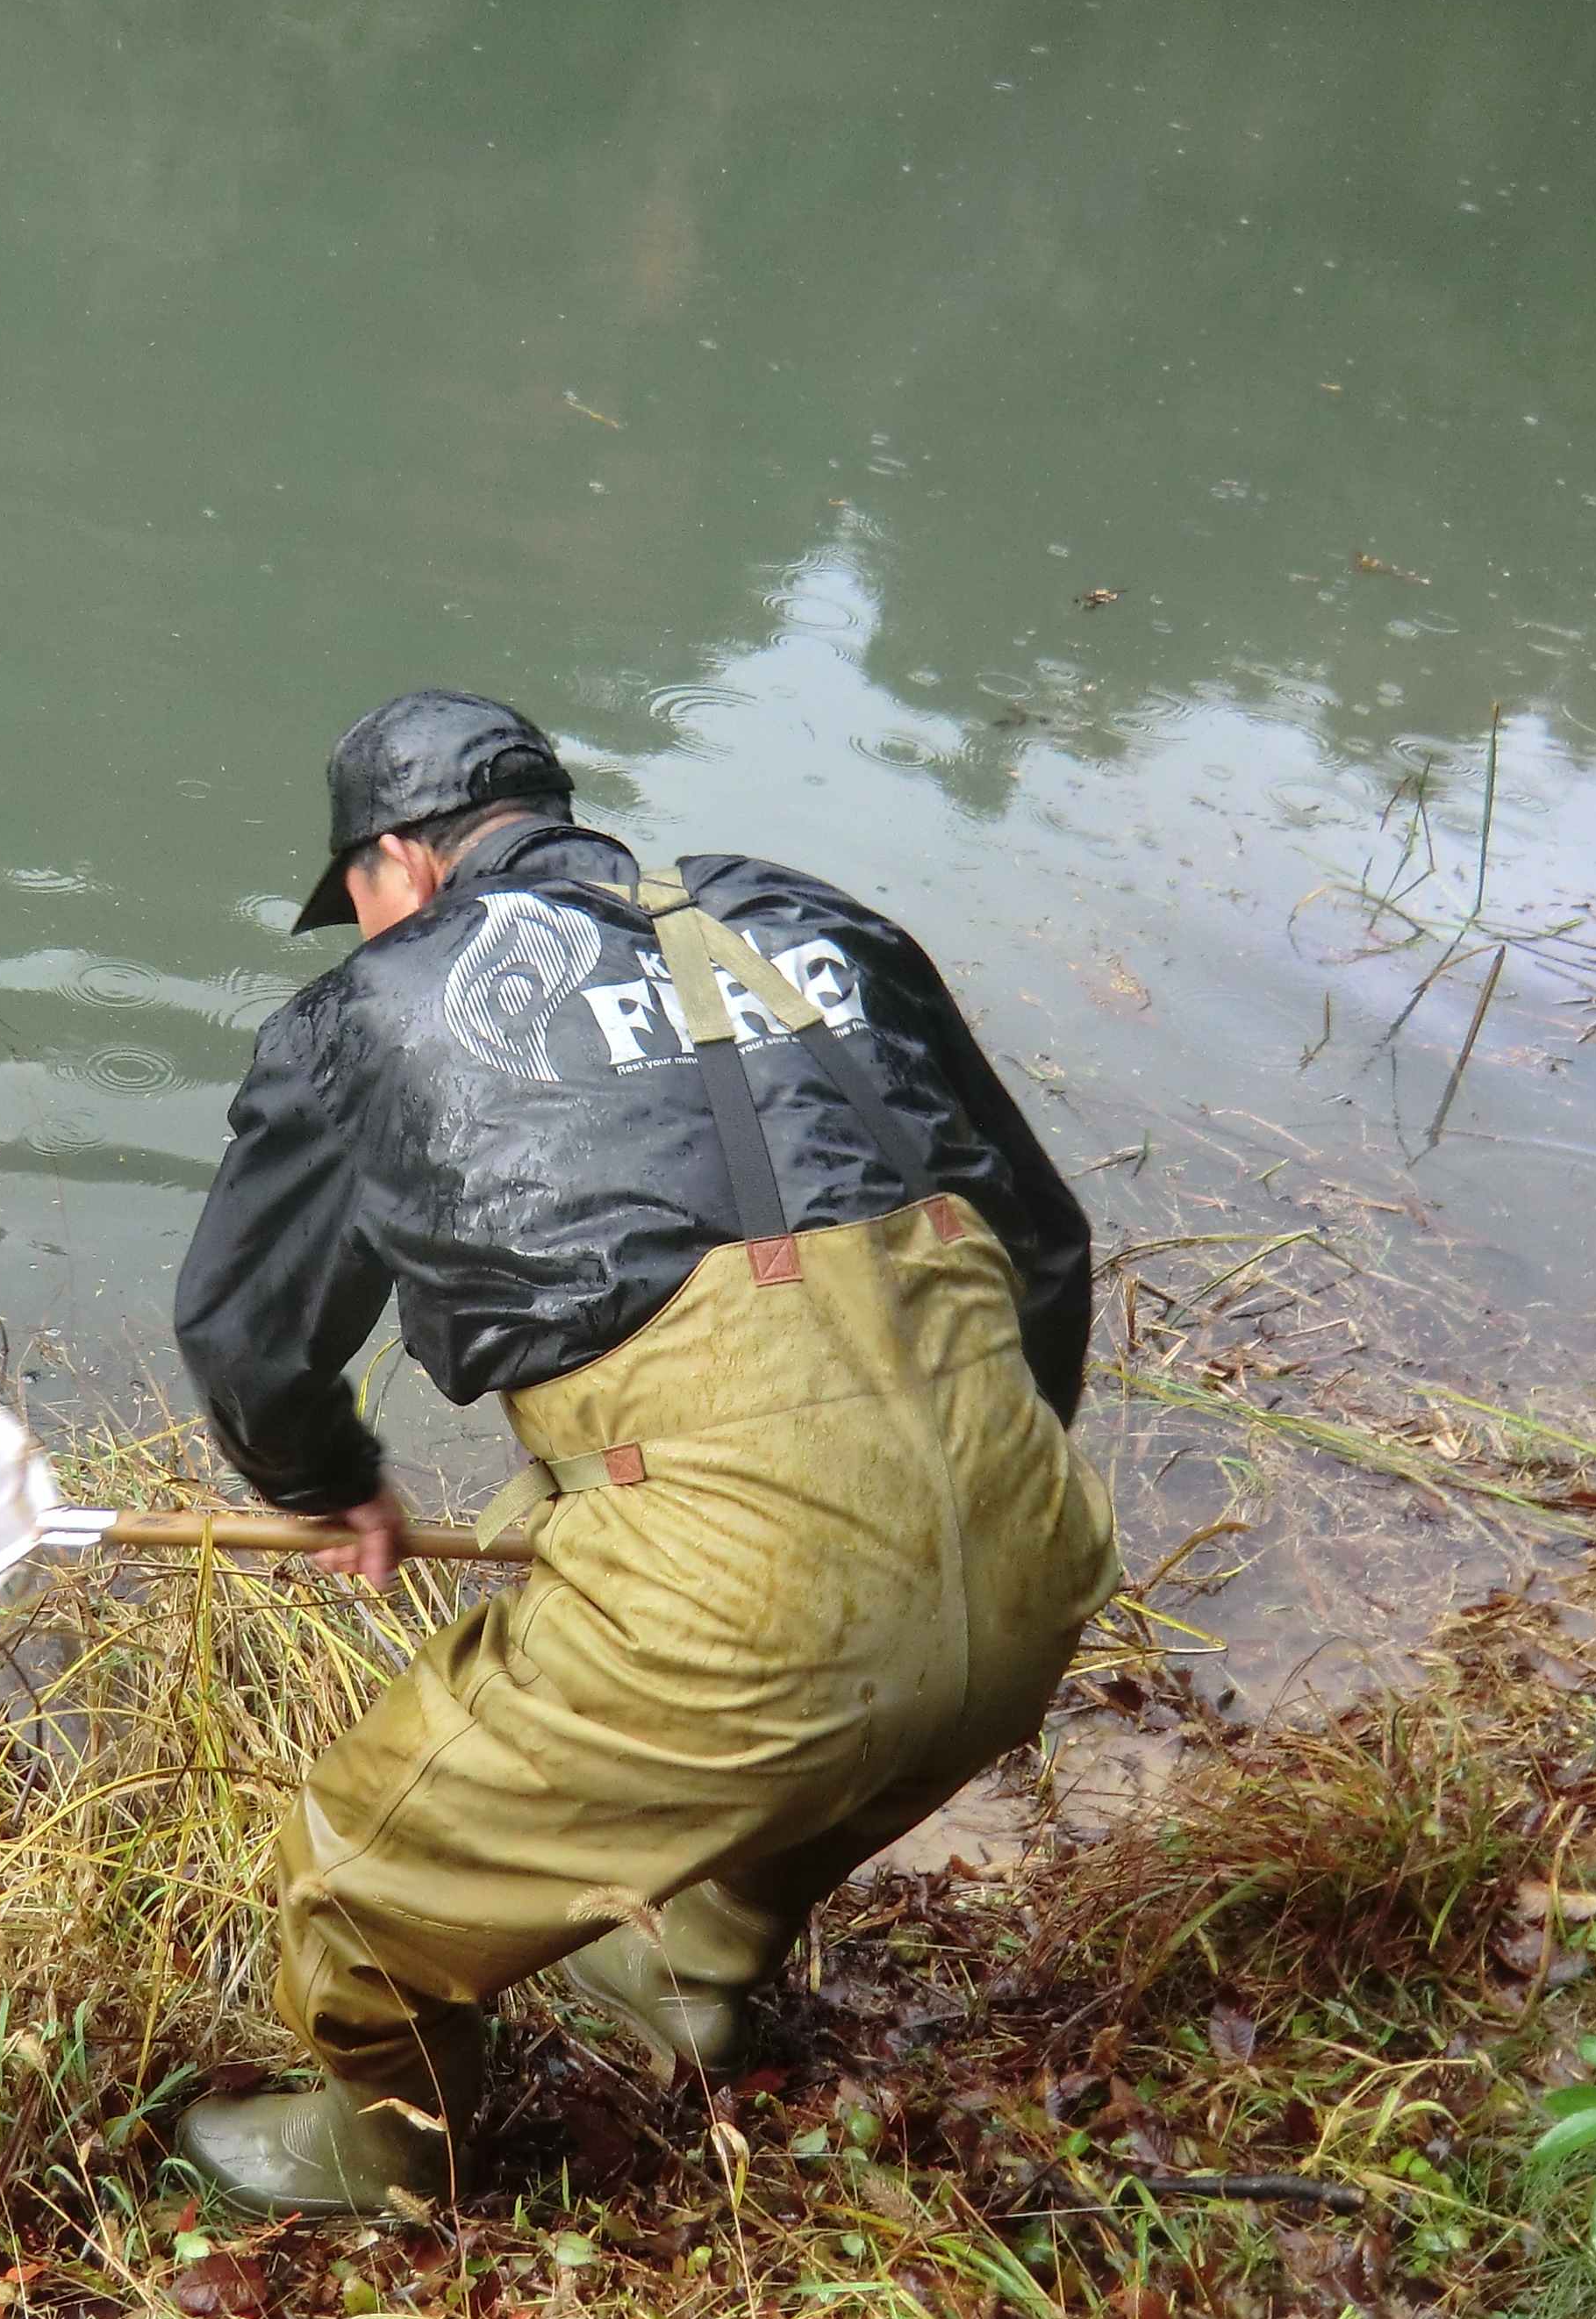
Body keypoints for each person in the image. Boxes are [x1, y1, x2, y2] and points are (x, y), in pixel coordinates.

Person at [167, 691, 1117, 2214]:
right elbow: (1047, 1252)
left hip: (759, 1637)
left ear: (397, 867)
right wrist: (983, 1488)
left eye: (352, 900)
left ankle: (394, 2153)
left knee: (349, 1877)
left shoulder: (379, 1007)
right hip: (1036, 1582)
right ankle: (691, 1969)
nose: (359, 930)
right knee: (844, 1681)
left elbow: (249, 1337)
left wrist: (329, 1483)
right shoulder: (826, 926)